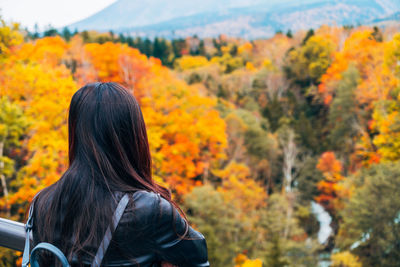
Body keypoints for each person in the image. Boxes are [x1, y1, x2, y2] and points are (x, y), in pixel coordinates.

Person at [28, 82, 209, 267]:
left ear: (75, 133)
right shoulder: (149, 209)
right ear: (133, 136)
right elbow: (199, 260)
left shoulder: (42, 203)